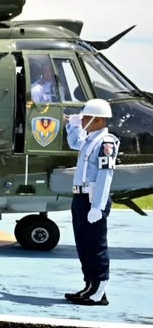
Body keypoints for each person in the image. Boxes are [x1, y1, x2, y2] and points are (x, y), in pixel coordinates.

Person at [64, 98, 116, 305]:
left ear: (98, 119)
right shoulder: (90, 139)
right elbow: (74, 142)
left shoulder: (106, 142)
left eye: (86, 116)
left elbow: (105, 175)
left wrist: (98, 206)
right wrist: (74, 125)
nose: (83, 119)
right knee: (83, 244)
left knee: (96, 245)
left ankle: (98, 289)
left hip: (93, 198)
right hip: (80, 196)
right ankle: (90, 286)